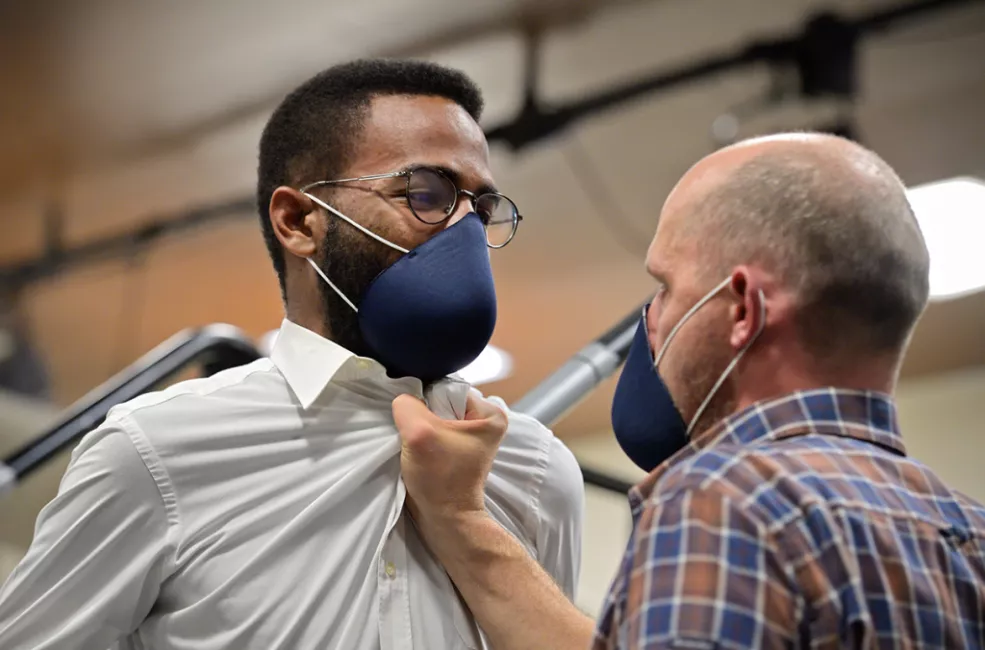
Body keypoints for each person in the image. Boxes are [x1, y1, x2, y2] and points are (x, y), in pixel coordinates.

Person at [0, 59, 584, 649]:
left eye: (480, 208)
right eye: (425, 193)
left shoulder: (536, 470)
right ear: (300, 219)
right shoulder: (157, 454)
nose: (464, 227)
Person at [391, 132, 985, 649]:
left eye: (666, 286)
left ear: (743, 310)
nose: (651, 320)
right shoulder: (967, 532)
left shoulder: (723, 503)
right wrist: (462, 518)